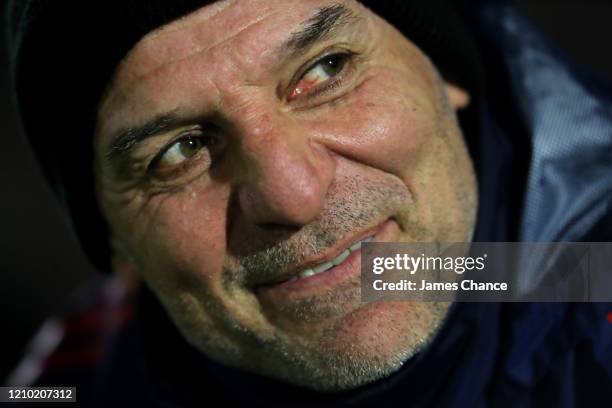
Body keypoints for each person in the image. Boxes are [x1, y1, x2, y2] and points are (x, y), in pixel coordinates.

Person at [5, 0, 612, 406]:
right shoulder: (65, 384)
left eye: (325, 71)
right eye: (178, 151)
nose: (292, 195)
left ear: (445, 71)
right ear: (116, 244)